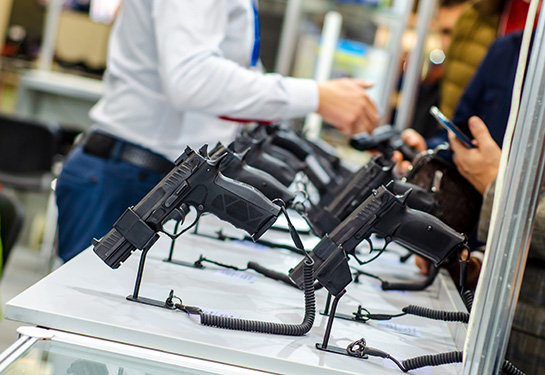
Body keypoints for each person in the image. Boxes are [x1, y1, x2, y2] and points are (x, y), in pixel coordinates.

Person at [55, 0, 380, 262]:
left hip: (151, 180)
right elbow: (191, 78)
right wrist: (316, 96)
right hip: (127, 182)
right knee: (78, 333)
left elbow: (231, 76)